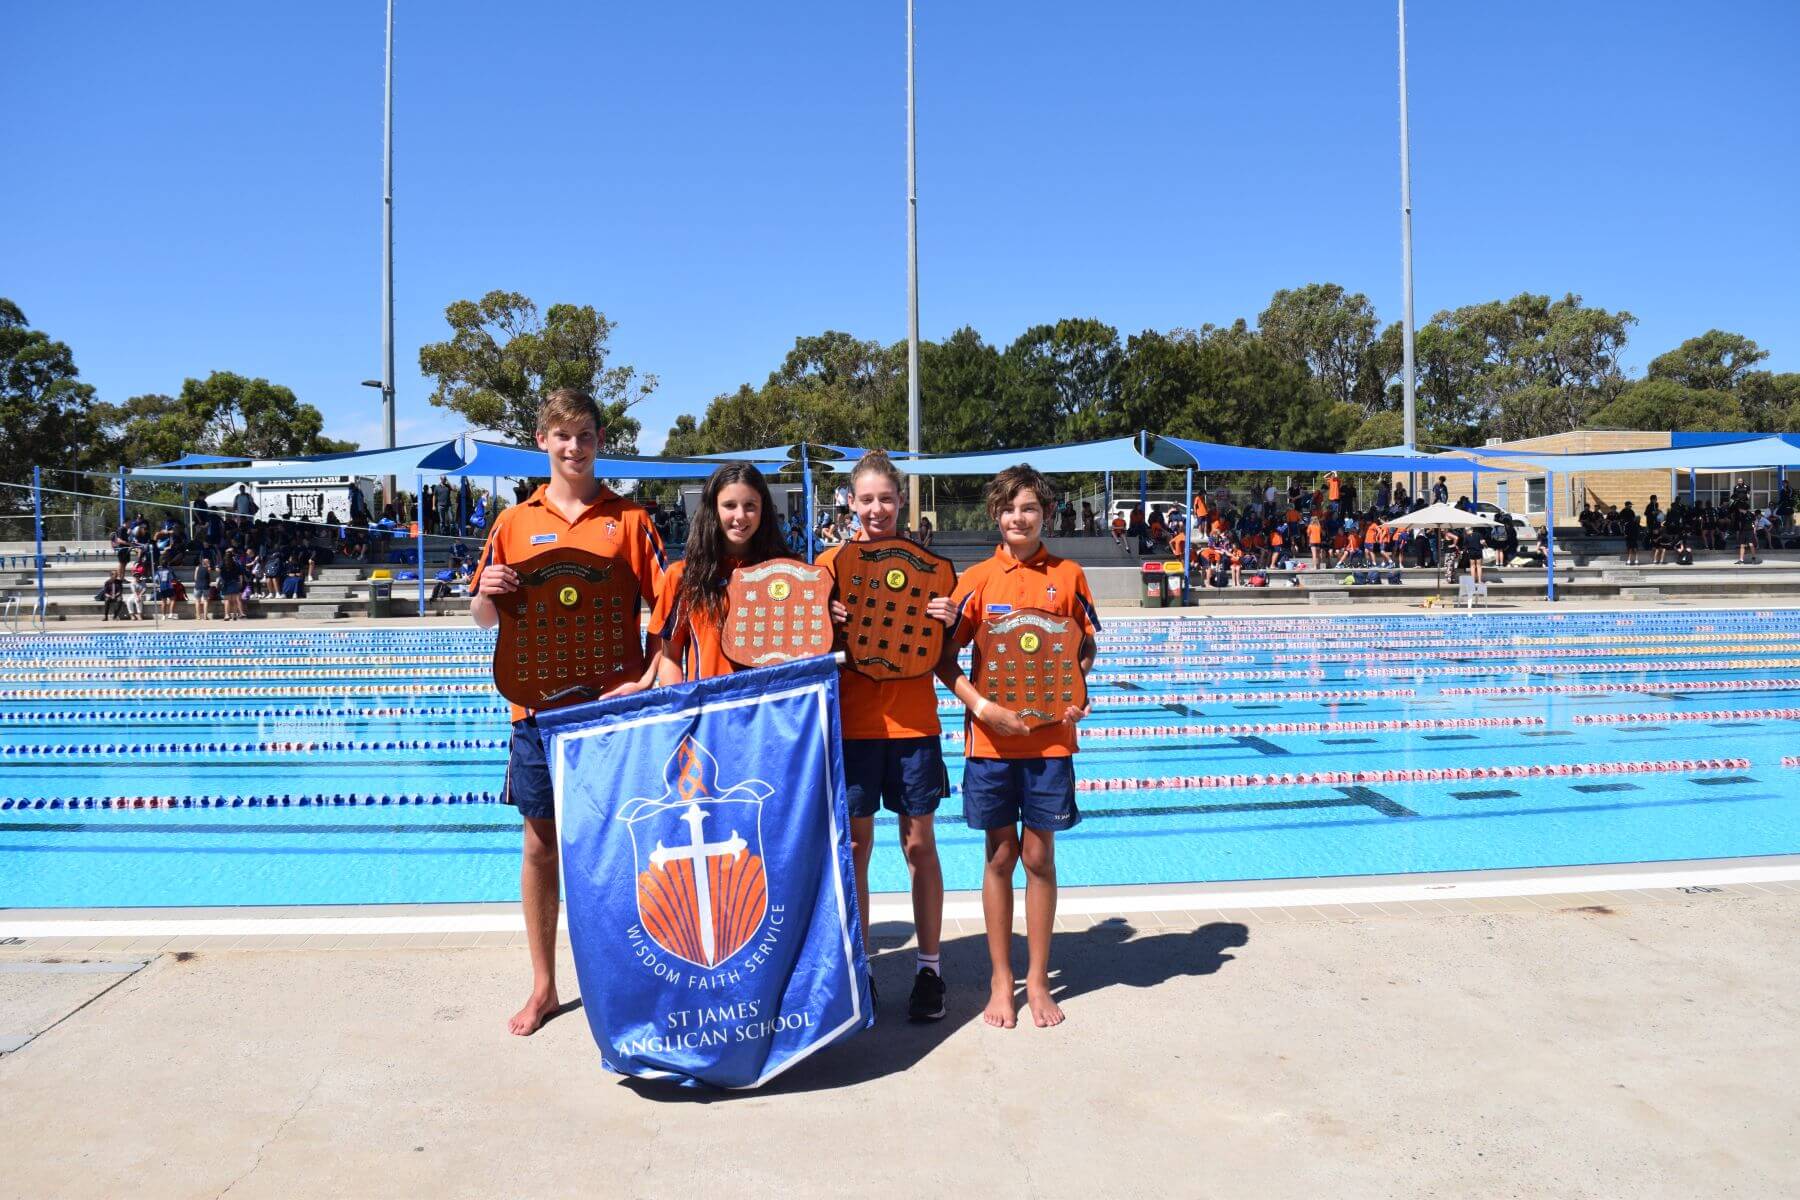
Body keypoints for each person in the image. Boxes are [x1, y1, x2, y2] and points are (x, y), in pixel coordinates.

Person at [471, 388, 666, 1037]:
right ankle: (545, 985)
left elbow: (669, 606)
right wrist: (489, 593)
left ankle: (632, 976)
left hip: (610, 713)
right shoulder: (513, 521)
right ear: (543, 441)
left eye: (584, 436)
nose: (574, 447)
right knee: (541, 843)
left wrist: (649, 675)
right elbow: (482, 613)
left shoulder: (631, 520)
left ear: (599, 441)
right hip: (536, 710)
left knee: (624, 844)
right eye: (562, 436)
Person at [813, 452, 971, 1021]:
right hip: (853, 729)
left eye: (886, 498)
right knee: (855, 850)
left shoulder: (931, 570)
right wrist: (819, 616)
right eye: (866, 499)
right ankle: (860, 965)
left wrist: (948, 619)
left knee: (918, 845)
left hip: (913, 728)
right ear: (850, 503)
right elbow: (806, 649)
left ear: (900, 502)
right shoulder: (828, 565)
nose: (876, 509)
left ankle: (930, 967)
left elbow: (947, 655)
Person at [948, 464, 1098, 1030]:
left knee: (1038, 857)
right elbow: (944, 658)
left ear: (1045, 515)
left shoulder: (1069, 574)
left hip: (1050, 742)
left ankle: (1037, 979)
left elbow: (1084, 649)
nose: (1019, 517)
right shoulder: (978, 579)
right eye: (1010, 508)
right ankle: (999, 978)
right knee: (1000, 856)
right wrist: (981, 706)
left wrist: (1076, 695)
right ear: (996, 514)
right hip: (989, 741)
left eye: (1030, 508)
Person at [192, 555, 216, 622]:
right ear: (207, 563)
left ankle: (198, 616)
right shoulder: (208, 569)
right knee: (205, 601)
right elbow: (209, 578)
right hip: (205, 586)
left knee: (197, 601)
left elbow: (195, 578)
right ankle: (205, 616)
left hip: (197, 586)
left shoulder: (197, 568)